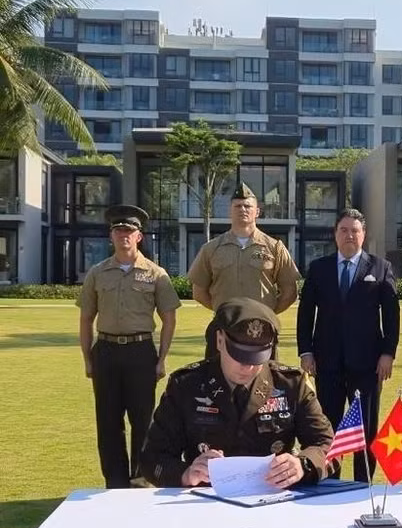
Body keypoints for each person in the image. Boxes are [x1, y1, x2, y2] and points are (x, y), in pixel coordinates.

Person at [140, 297, 336, 488]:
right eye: (240, 355)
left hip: (274, 502)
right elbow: (152, 458)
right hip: (205, 502)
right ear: (219, 340)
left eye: (257, 358)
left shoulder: (291, 384)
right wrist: (186, 473)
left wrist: (302, 465)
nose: (248, 367)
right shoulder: (186, 385)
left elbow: (330, 445)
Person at [77, 204, 182, 489]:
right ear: (110, 236)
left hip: (140, 351)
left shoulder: (156, 274)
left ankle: (141, 476)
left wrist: (161, 358)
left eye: (129, 231)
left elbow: (169, 319)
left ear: (139, 237)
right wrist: (88, 358)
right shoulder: (97, 273)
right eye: (118, 230)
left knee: (143, 419)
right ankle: (115, 480)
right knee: (108, 421)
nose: (124, 235)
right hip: (107, 352)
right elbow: (86, 319)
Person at [296, 208, 400, 482]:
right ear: (335, 234)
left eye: (355, 230)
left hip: (367, 365)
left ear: (364, 235)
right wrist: (305, 351)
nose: (349, 235)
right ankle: (331, 481)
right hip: (326, 363)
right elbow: (305, 314)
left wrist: (388, 354)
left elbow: (391, 317)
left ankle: (362, 483)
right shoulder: (319, 269)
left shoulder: (380, 268)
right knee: (328, 425)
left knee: (366, 429)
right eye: (344, 230)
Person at [188, 181, 300, 358]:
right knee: (218, 380)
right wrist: (226, 311)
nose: (243, 209)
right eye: (237, 206)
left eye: (248, 205)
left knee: (264, 380)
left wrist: (265, 312)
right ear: (230, 211)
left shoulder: (274, 247)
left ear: (257, 211)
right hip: (224, 327)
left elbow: (290, 292)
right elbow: (199, 292)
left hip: (261, 327)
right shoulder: (211, 249)